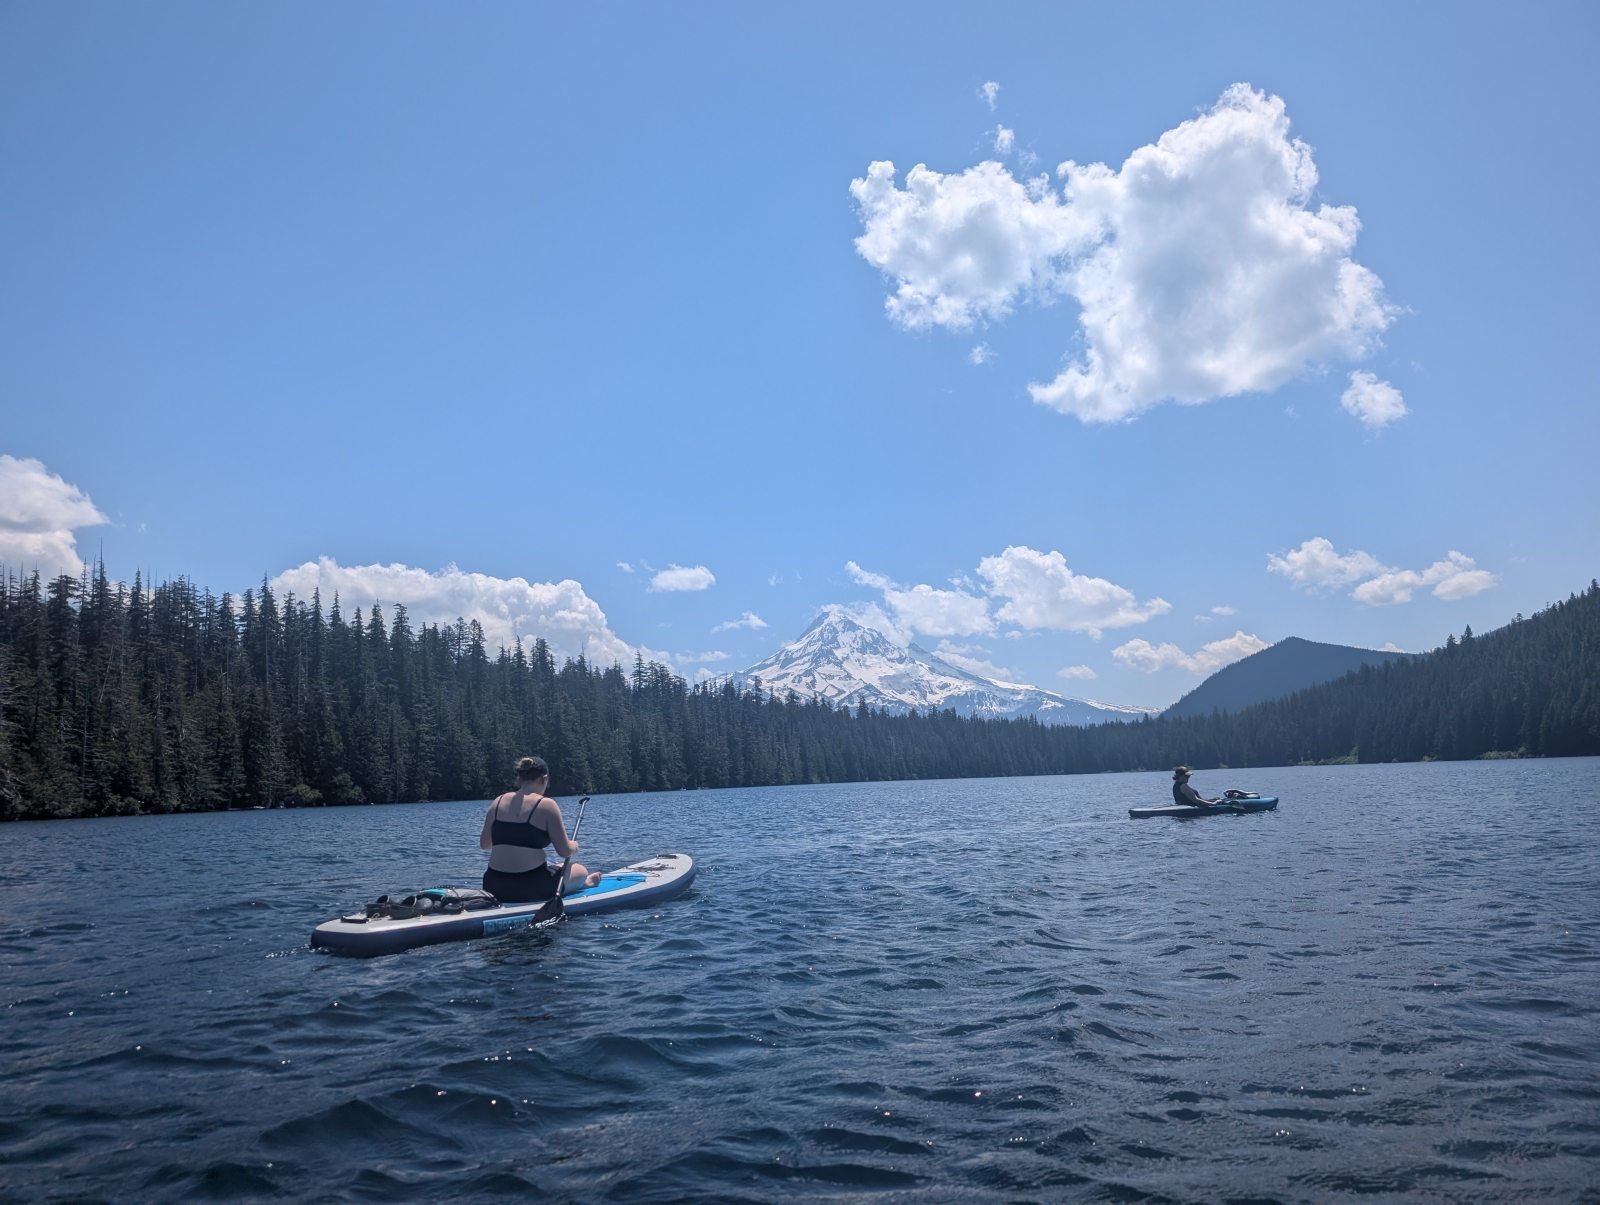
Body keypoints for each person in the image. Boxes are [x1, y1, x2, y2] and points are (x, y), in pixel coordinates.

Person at [479, 757, 602, 902]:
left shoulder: (498, 802)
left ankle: (567, 880)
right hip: (533, 887)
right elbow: (564, 851)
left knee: (552, 864)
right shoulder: (546, 805)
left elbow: (485, 844)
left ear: (520, 779)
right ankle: (581, 883)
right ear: (544, 779)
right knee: (580, 870)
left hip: (493, 886)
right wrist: (574, 846)